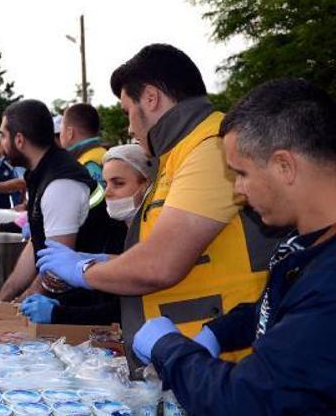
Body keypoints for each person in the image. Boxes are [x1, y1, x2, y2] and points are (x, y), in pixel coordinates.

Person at [36, 44, 283, 368]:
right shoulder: (177, 155)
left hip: (226, 361)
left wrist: (85, 271)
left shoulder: (211, 150)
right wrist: (106, 261)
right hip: (188, 357)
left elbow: (160, 264)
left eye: (127, 111)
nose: (128, 127)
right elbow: (178, 248)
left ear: (151, 98)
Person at [132, 79, 336, 414]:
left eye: (241, 173)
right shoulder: (306, 245)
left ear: (285, 166)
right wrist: (218, 332)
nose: (239, 191)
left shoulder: (329, 281)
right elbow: (278, 310)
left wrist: (170, 349)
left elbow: (246, 399)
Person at [21, 144, 152, 325]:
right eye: (105, 184)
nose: (108, 192)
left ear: (146, 184)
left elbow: (122, 308)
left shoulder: (153, 233)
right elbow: (99, 296)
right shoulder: (113, 228)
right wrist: (62, 302)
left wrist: (59, 313)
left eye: (118, 183)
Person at [60, 103, 107, 188]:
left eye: (61, 129)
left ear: (70, 132)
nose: (60, 135)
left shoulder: (86, 164)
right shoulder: (104, 153)